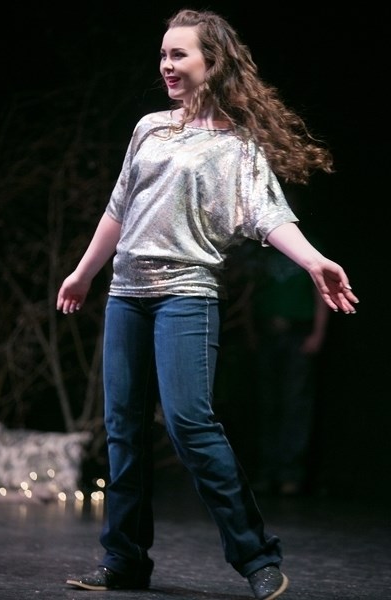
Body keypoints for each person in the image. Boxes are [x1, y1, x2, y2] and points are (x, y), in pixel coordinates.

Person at [56, 8, 359, 600]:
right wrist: (83, 272)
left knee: (191, 423)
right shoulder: (148, 127)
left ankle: (256, 556)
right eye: (163, 55)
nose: (167, 65)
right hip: (126, 295)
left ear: (211, 62)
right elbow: (120, 208)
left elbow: (269, 215)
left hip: (186, 297)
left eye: (180, 55)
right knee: (122, 430)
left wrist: (313, 259)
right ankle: (123, 559)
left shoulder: (236, 146)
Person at [249, 233, 330, 497]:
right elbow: (251, 291)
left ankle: (290, 474)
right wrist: (251, 330)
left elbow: (321, 291)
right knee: (266, 402)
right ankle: (266, 471)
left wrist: (317, 333)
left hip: (298, 333)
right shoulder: (263, 252)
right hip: (268, 332)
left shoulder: (308, 247)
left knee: (295, 403)